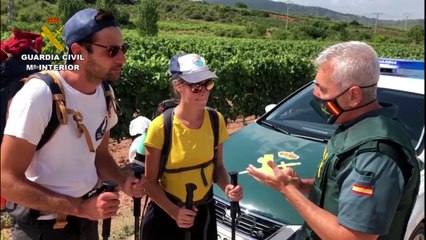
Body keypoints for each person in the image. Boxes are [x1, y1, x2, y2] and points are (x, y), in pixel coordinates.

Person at [247, 41, 420, 240]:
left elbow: (352, 237)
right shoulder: (354, 126)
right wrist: (299, 184)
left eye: (322, 89)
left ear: (353, 95)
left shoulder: (375, 154)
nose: (315, 94)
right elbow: (338, 189)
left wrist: (286, 189)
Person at [0, 8, 146, 240]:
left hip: (85, 224)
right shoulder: (39, 96)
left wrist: (122, 180)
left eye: (123, 49)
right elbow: (6, 180)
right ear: (78, 52)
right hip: (42, 231)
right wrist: (79, 207)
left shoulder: (104, 93)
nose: (122, 58)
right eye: (112, 51)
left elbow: (101, 156)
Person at [141, 53, 243, 240]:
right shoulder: (160, 126)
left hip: (204, 212)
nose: (204, 91)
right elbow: (149, 183)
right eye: (196, 86)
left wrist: (227, 187)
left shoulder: (215, 120)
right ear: (178, 87)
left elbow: (218, 167)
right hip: (167, 213)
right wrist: (174, 212)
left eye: (208, 84)